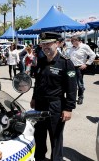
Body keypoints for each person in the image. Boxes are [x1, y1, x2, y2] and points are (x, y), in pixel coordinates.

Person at [30, 32, 77, 161]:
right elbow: (38, 82)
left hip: (55, 106)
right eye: (43, 44)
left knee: (55, 137)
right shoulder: (41, 61)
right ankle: (39, 158)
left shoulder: (66, 63)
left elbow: (72, 88)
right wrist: (34, 97)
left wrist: (69, 108)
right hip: (40, 105)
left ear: (57, 44)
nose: (45, 47)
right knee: (39, 135)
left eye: (48, 43)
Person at [68, 35, 96, 105]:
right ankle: (72, 98)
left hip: (79, 68)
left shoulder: (84, 46)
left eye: (73, 40)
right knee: (72, 83)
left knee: (79, 84)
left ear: (78, 40)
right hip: (71, 68)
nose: (71, 42)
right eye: (71, 41)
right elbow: (69, 56)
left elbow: (93, 55)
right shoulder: (72, 48)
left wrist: (86, 64)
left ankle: (80, 97)